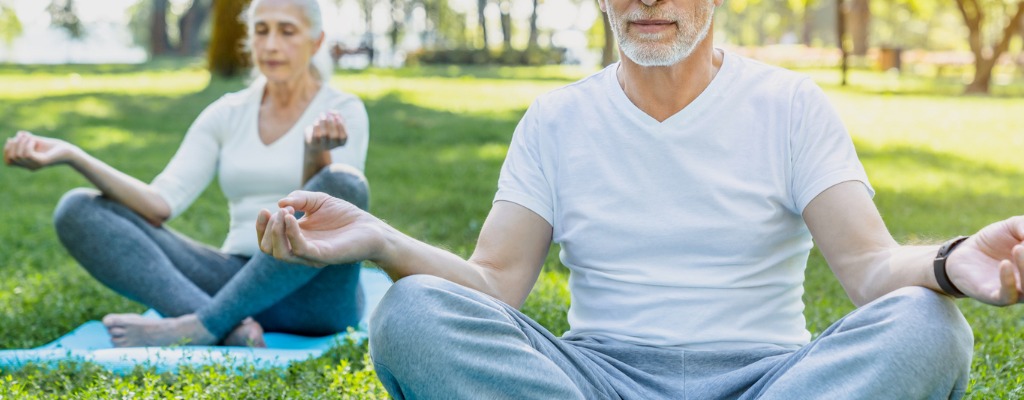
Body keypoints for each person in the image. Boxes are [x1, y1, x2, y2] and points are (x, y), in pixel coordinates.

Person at [256, 0, 1023, 397]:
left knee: (929, 324)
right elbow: (494, 288)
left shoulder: (790, 105)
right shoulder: (556, 119)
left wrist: (954, 263)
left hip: (771, 380)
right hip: (596, 380)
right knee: (413, 314)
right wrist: (380, 240)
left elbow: (869, 268)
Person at [2, 0, 369, 348]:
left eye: (287, 31)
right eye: (261, 30)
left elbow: (329, 217)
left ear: (315, 40)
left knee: (345, 183)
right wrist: (73, 155)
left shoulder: (342, 109)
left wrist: (314, 155)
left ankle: (203, 325)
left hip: (321, 298)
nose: (271, 44)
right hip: (236, 282)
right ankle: (230, 328)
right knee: (77, 209)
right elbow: (160, 203)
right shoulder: (226, 113)